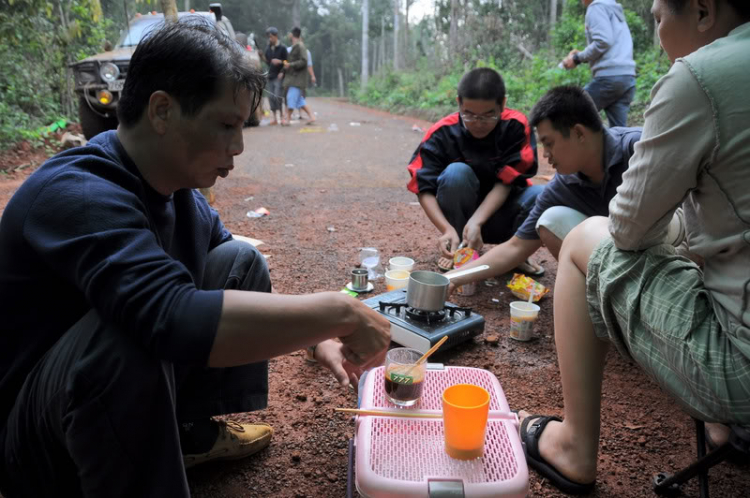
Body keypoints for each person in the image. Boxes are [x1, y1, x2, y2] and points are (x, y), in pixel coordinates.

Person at [0, 21, 390, 497]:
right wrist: (340, 313)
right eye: (226, 125)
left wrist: (319, 340)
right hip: (34, 440)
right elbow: (167, 316)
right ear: (162, 110)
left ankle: (183, 433)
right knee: (128, 336)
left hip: (96, 397)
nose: (239, 147)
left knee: (238, 263)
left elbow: (220, 282)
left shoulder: (178, 193)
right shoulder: (79, 193)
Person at [519, 0, 750, 494]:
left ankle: (575, 445)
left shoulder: (698, 78)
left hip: (740, 366)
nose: (657, 31)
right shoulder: (563, 184)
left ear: (704, 11)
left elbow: (627, 231)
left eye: (659, 17)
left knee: (586, 236)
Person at [446, 86, 643, 290]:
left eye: (549, 144)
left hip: (663, 257)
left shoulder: (639, 149)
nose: (546, 155)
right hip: (618, 261)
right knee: (551, 219)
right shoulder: (563, 186)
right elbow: (516, 247)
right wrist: (453, 277)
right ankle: (605, 297)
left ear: (578, 133)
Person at [407, 67, 543, 274]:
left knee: (542, 195)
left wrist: (477, 220)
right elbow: (422, 185)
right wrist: (446, 229)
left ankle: (514, 252)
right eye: (469, 115)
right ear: (458, 103)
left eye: (488, 115)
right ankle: (459, 248)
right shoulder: (443, 132)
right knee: (455, 173)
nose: (478, 124)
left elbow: (508, 180)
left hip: (504, 214)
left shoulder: (515, 125)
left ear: (502, 104)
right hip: (461, 218)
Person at [562, 0, 636, 128]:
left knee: (568, 113)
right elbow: (610, 44)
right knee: (619, 132)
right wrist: (582, 56)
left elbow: (603, 41)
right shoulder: (613, 8)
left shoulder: (596, 7)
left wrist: (577, 58)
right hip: (627, 77)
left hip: (609, 78)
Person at [281, 27, 308, 127]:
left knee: (291, 98)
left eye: (289, 34)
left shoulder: (300, 46)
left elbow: (304, 61)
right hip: (292, 78)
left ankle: (287, 119)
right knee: (298, 100)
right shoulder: (294, 46)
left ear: (292, 35)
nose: (288, 35)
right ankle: (312, 117)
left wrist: (290, 65)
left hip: (297, 78)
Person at [262, 26, 288, 125]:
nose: (270, 39)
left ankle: (281, 117)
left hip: (279, 75)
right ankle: (275, 118)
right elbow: (268, 62)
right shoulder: (268, 48)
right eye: (269, 37)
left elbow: (287, 61)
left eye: (271, 36)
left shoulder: (283, 47)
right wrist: (262, 56)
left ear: (276, 36)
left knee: (278, 96)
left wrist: (281, 63)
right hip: (271, 76)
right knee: (271, 97)